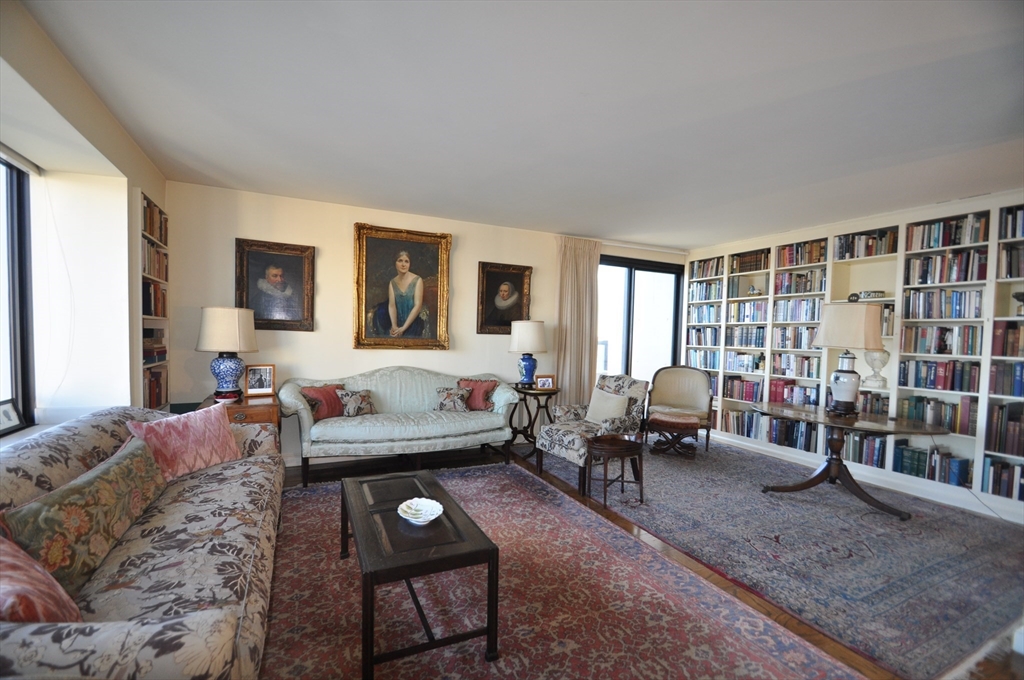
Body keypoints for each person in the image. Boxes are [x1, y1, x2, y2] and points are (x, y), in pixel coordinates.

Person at [371, 251, 426, 337]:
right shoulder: (392, 282)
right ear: (395, 263)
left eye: (406, 261)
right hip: (398, 324)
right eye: (400, 261)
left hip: (413, 323)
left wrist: (403, 328)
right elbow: (392, 306)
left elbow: (417, 306)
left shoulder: (418, 280)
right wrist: (394, 326)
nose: (403, 264)